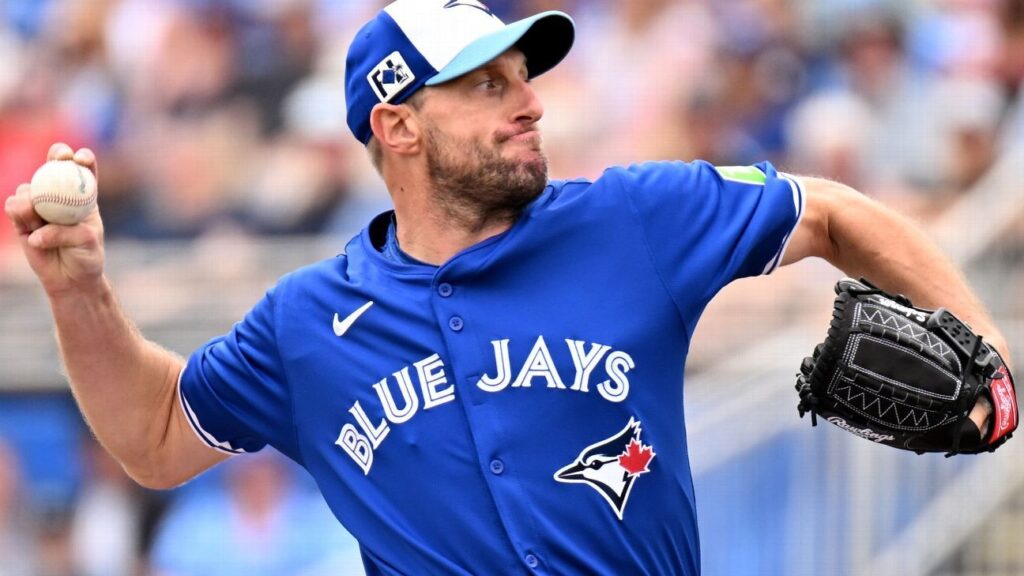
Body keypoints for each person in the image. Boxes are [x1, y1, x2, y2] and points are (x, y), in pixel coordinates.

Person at [3, 1, 1011, 574]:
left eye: (523, 77)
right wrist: (79, 292)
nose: (528, 104)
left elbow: (831, 211)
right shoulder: (306, 322)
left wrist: (983, 348)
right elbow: (154, 437)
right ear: (396, 125)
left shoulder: (630, 220)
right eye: (487, 86)